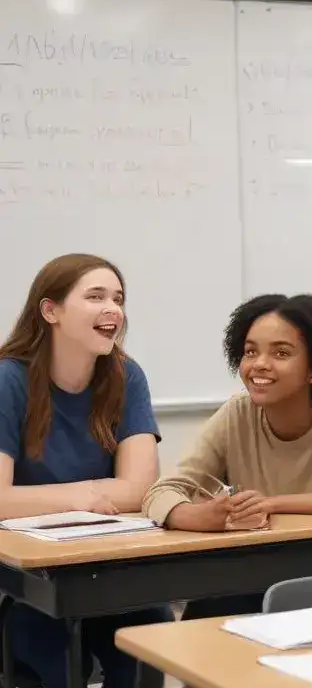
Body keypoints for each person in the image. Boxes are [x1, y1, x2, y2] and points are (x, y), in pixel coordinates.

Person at [142, 293, 312, 613]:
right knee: (205, 613)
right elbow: (162, 492)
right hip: (271, 589)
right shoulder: (237, 414)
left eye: (281, 353)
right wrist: (198, 516)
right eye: (250, 352)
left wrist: (273, 503)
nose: (260, 364)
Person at [0, 253, 170, 688]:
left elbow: (139, 490)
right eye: (95, 297)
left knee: (151, 633)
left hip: (101, 567)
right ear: (50, 310)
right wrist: (86, 495)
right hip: (21, 580)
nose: (112, 309)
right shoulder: (9, 380)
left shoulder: (126, 376)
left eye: (118, 298)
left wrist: (41, 498)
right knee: (55, 656)